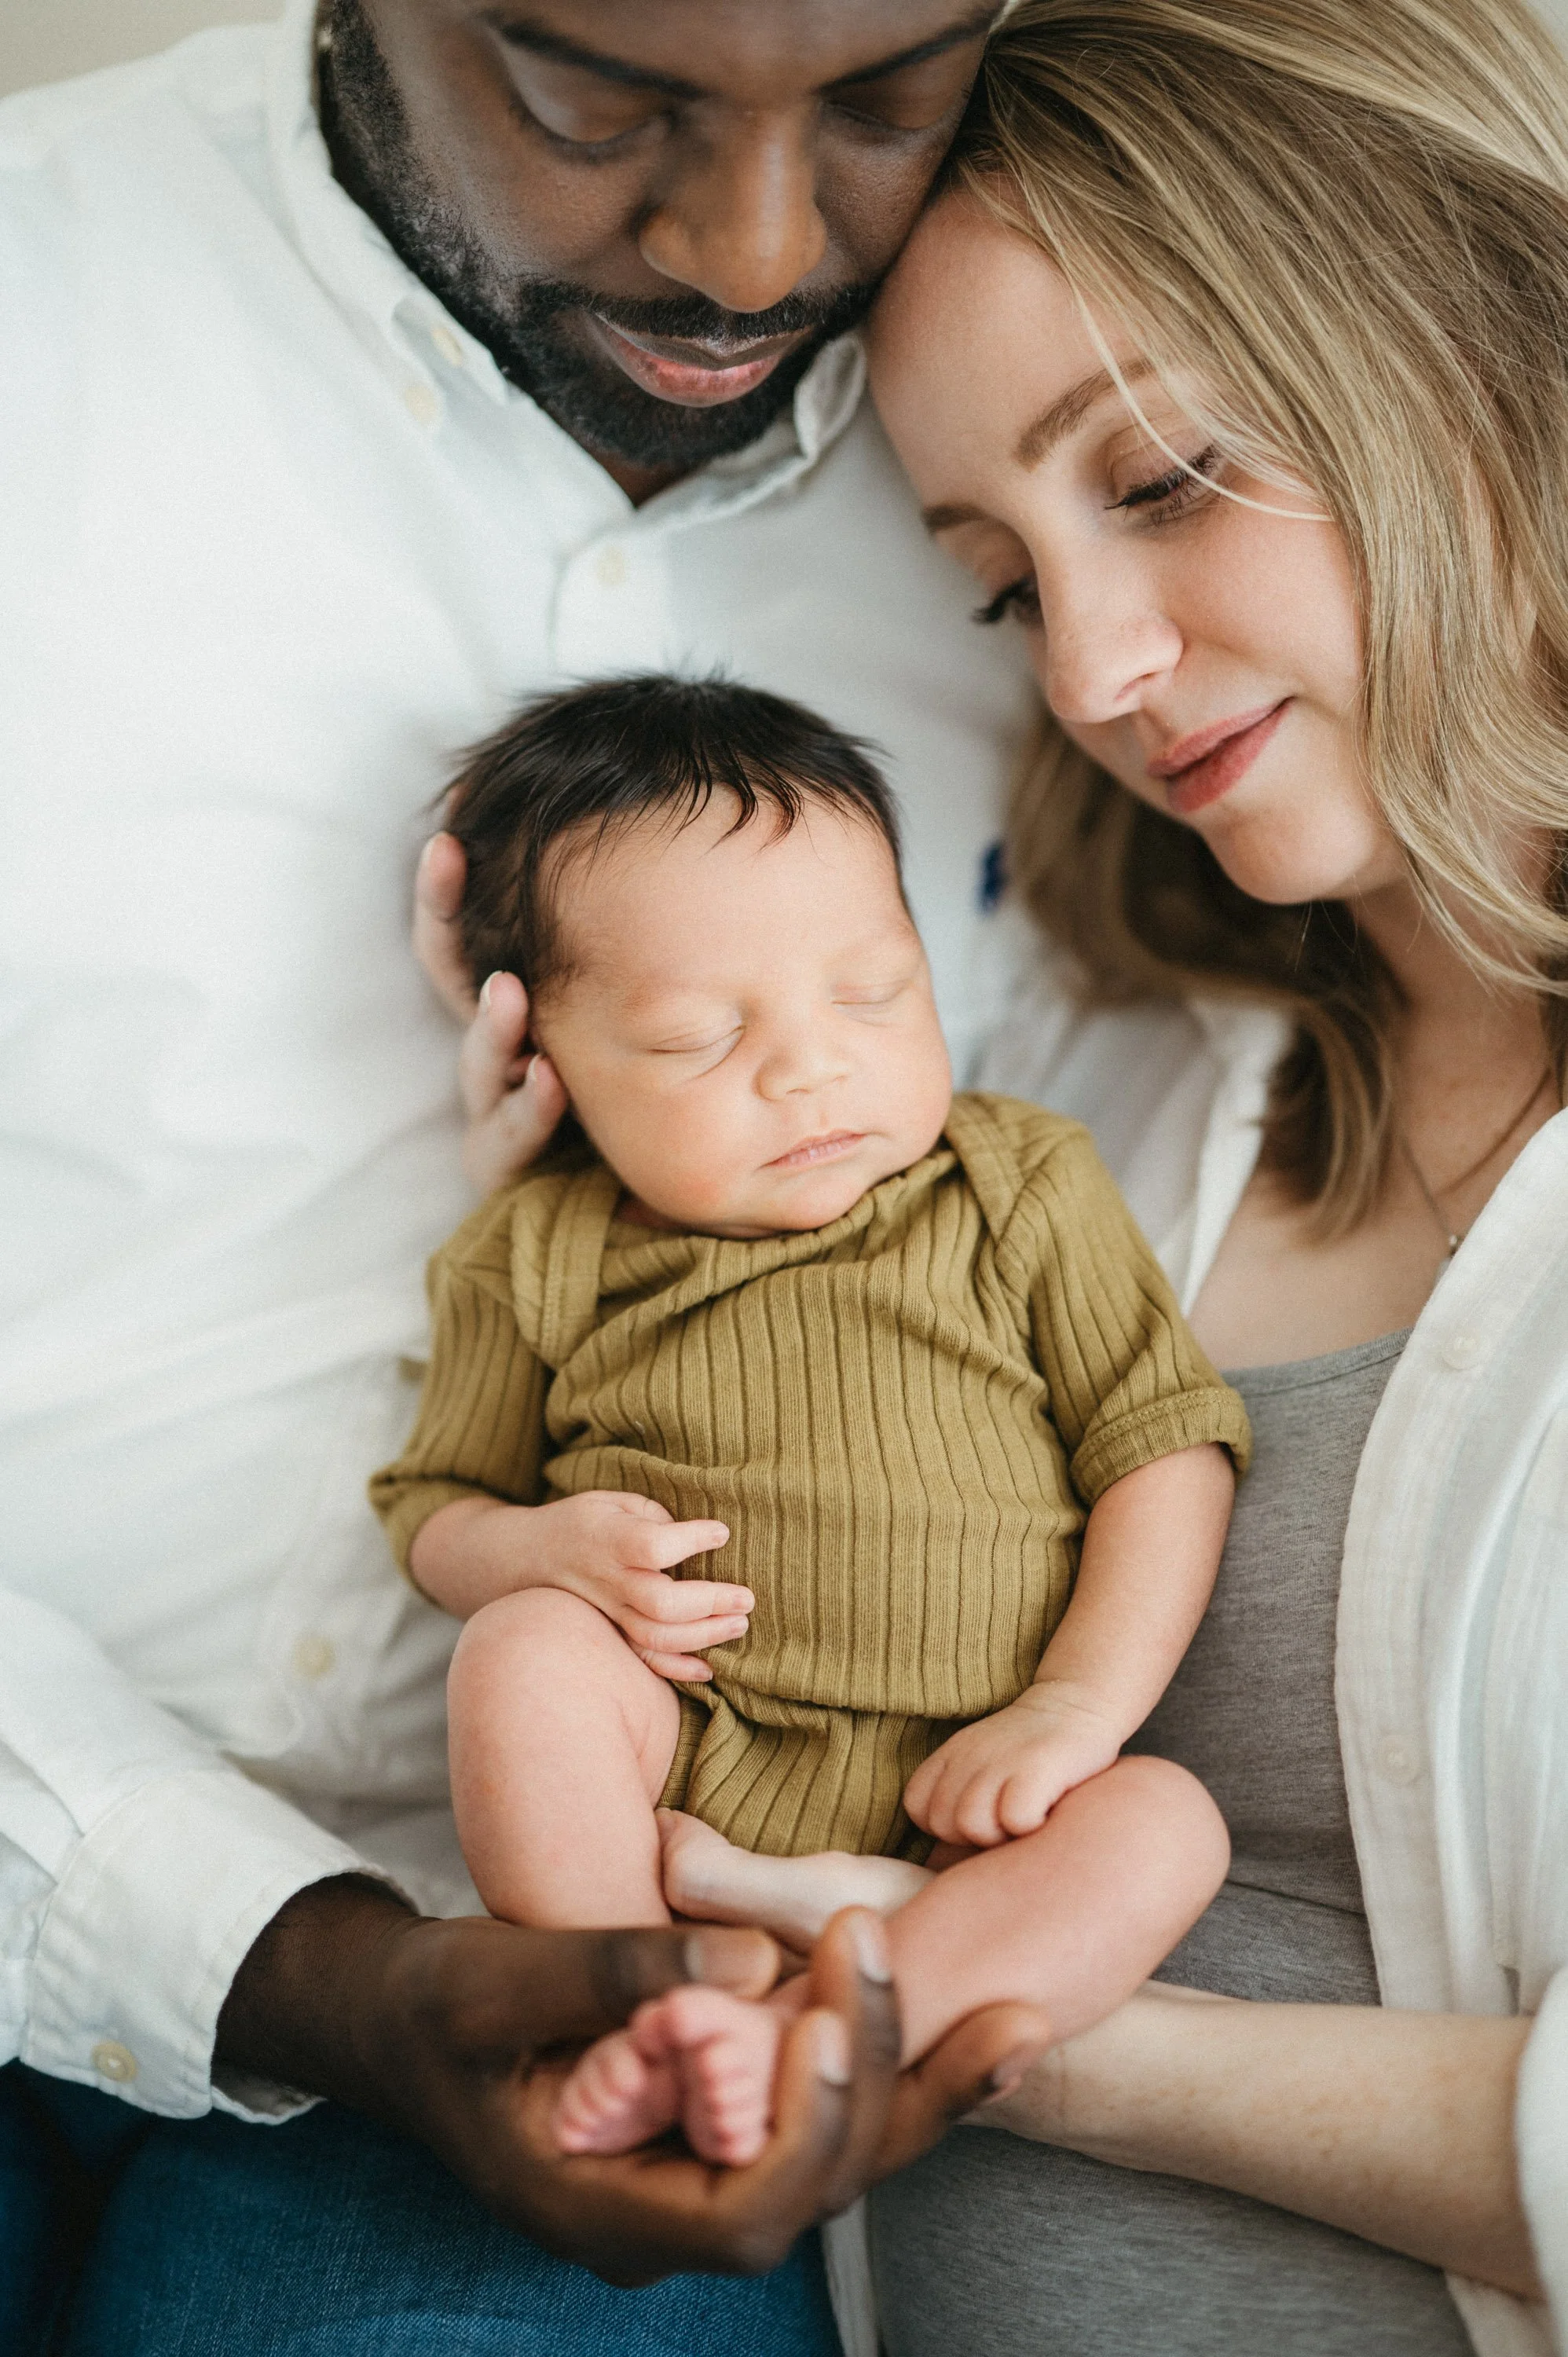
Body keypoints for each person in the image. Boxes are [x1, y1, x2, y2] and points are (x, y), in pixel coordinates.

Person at [0, 0, 1048, 2347]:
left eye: (887, 96)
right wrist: (301, 1964)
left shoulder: (1051, 425)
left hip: (626, 1977)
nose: (756, 252)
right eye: (598, 95)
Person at [839, 0, 1568, 2350]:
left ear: (1495, 345)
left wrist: (1020, 2042)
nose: (1083, 668)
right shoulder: (1125, 1075)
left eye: (1156, 476)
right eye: (999, 578)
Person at [366, 671, 1246, 2165]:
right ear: (546, 1069)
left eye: (872, 990)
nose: (812, 1063)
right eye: (697, 1037)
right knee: (520, 1659)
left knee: (1165, 1825)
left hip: (986, 1794)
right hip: (684, 1775)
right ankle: (638, 1997)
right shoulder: (536, 1251)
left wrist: (1075, 1710)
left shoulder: (1016, 1181)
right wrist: (535, 1554)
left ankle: (824, 2043)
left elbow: (1162, 1447)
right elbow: (430, 1508)